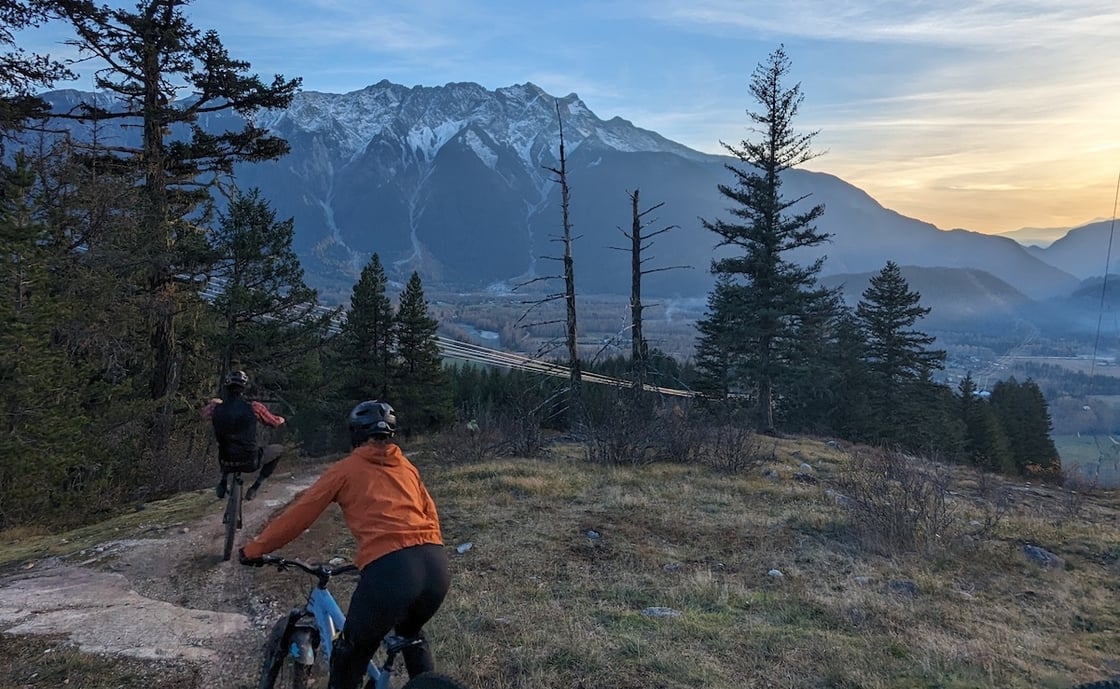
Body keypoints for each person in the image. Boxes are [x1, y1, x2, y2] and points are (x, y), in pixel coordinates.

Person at [239, 400, 450, 688]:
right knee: (411, 634)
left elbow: (299, 515)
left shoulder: (346, 469)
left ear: (355, 433)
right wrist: (427, 547)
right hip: (436, 566)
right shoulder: (407, 467)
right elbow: (430, 512)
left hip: (392, 571)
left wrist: (255, 549)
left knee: (349, 655)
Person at [202, 370, 287, 501]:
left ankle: (223, 481)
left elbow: (204, 415)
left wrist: (215, 403)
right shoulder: (254, 408)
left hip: (225, 461)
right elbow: (274, 422)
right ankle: (255, 487)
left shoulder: (215, 408)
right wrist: (281, 419)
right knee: (279, 450)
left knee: (226, 444)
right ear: (244, 388)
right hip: (250, 461)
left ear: (226, 387)